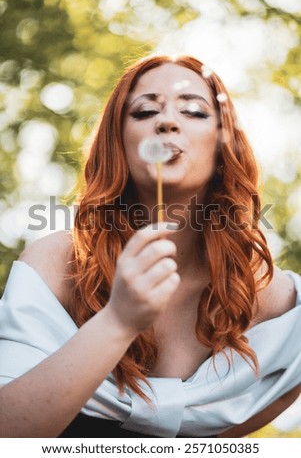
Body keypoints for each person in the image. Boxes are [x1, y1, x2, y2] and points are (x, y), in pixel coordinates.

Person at [0, 54, 301, 438]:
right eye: (144, 112)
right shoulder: (58, 264)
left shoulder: (278, 306)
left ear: (224, 149)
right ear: (118, 145)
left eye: (193, 112)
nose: (167, 121)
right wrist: (119, 320)